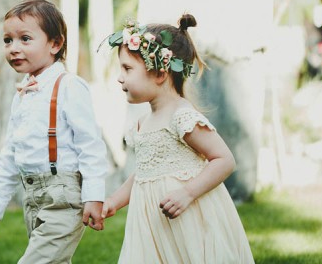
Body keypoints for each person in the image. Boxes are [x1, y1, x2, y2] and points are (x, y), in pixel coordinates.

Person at [101, 14, 254, 263]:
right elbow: (143, 173)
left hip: (187, 218)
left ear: (161, 73)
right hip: (153, 225)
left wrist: (187, 193)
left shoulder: (181, 117)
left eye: (127, 69)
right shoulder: (143, 122)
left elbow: (224, 160)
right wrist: (114, 202)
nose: (120, 77)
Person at [0, 0, 108, 264]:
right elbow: (10, 155)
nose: (13, 48)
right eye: (7, 40)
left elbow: (90, 144)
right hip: (33, 198)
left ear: (55, 44)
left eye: (25, 39)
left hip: (65, 197)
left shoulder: (69, 85)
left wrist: (94, 196)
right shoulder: (22, 94)